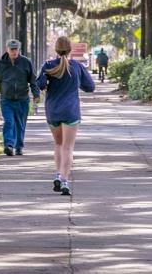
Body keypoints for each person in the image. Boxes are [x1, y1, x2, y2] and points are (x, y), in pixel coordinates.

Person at [37, 36, 95, 196]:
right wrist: (77, 82)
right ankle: (64, 180)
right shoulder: (77, 66)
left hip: (53, 111)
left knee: (58, 144)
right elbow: (90, 87)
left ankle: (58, 174)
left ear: (55, 49)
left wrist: (46, 78)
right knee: (68, 147)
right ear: (70, 49)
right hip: (71, 111)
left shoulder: (48, 66)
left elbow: (39, 85)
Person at [0, 39, 40, 156]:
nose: (14, 52)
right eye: (12, 50)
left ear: (19, 50)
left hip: (22, 99)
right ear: (7, 49)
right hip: (6, 99)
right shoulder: (0, 64)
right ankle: (9, 145)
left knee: (20, 124)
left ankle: (19, 146)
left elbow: (33, 80)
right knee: (9, 122)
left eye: (16, 50)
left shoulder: (26, 62)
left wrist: (36, 94)